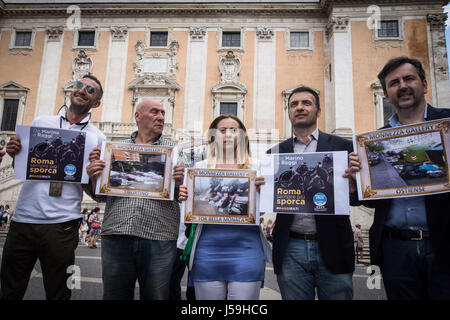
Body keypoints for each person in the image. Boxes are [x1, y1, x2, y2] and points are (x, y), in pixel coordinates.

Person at [347, 56, 450, 300]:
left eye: (409, 79)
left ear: (424, 85)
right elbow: (376, 200)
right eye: (394, 83)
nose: (402, 86)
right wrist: (356, 187)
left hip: (444, 242)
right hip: (396, 247)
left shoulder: (447, 125)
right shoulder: (374, 142)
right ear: (386, 94)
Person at [1, 74, 105, 300]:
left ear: (96, 102)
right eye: (79, 85)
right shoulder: (40, 123)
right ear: (71, 90)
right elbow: (23, 164)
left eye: (90, 89)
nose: (81, 90)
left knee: (59, 292)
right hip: (23, 220)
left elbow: (96, 194)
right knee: (9, 289)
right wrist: (14, 152)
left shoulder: (97, 138)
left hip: (63, 224)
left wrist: (92, 175)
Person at [85, 99, 185, 300]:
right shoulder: (115, 149)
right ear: (138, 116)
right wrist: (92, 177)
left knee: (157, 297)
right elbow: (99, 196)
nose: (161, 117)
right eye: (155, 112)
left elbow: (183, 198)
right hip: (117, 233)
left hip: (160, 235)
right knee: (115, 296)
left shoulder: (178, 152)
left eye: (163, 113)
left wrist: (180, 183)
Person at [267, 85, 356, 300]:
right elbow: (268, 199)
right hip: (291, 248)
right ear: (288, 111)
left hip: (333, 245)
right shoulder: (274, 154)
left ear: (318, 110)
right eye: (294, 104)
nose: (299, 108)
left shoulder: (344, 147)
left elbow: (358, 198)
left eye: (306, 103)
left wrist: (354, 186)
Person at [178, 114, 272, 300]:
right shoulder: (199, 167)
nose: (228, 134)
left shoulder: (257, 167)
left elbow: (261, 211)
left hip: (246, 249)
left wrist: (264, 194)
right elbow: (190, 212)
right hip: (207, 249)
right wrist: (184, 198)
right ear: (213, 136)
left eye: (234, 130)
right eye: (222, 130)